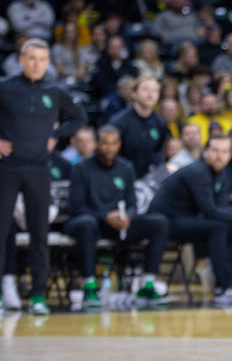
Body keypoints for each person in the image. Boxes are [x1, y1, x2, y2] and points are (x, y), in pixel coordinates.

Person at [0, 39, 86, 315]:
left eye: (42, 59)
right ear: (21, 60)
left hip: (38, 169)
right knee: (1, 233)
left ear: (49, 62)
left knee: (39, 233)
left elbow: (79, 117)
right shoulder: (6, 88)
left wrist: (56, 135)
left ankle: (38, 295)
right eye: (32, 58)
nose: (37, 64)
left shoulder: (55, 92)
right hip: (8, 169)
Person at [149, 135, 232, 306]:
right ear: (206, 152)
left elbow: (221, 206)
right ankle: (225, 287)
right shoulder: (198, 172)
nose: (220, 156)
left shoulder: (220, 173)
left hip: (188, 219)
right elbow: (209, 210)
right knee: (218, 227)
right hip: (166, 222)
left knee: (231, 227)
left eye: (225, 151)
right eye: (216, 151)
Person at [63, 125, 170, 308]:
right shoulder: (81, 169)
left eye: (113, 144)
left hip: (119, 225)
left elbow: (132, 204)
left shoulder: (126, 168)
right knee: (86, 223)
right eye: (104, 143)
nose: (109, 148)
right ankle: (89, 286)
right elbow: (77, 207)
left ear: (119, 145)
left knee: (159, 222)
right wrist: (105, 216)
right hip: (91, 223)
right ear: (97, 144)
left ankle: (148, 284)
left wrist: (127, 216)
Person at [111, 75, 167, 178]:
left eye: (155, 91)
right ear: (134, 94)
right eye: (145, 90)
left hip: (147, 181)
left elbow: (159, 154)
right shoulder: (119, 122)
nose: (150, 94)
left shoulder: (160, 123)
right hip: (121, 178)